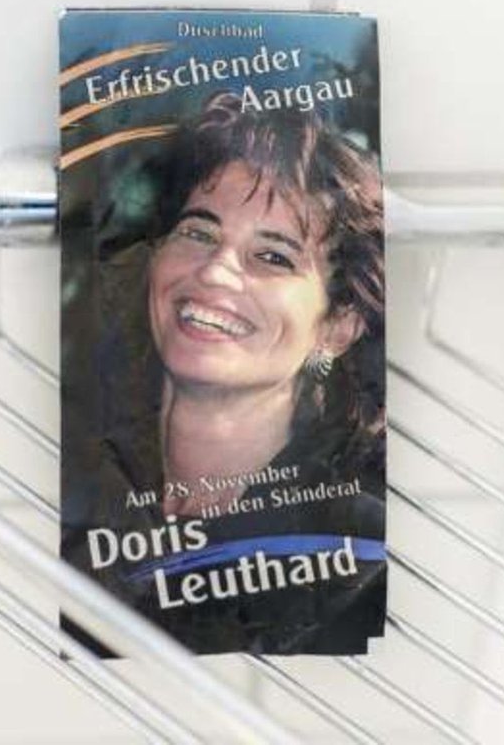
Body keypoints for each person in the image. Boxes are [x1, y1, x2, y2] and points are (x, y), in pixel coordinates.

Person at [61, 91, 386, 655]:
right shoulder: (73, 480)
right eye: (199, 232)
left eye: (274, 256)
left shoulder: (354, 553)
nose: (215, 271)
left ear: (337, 326)